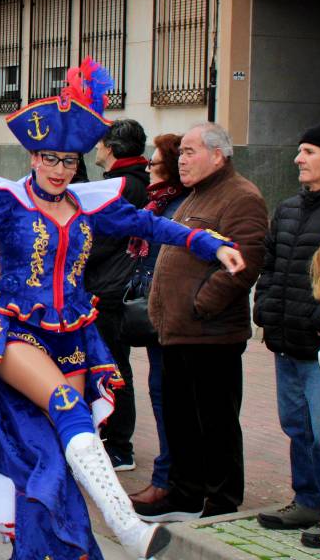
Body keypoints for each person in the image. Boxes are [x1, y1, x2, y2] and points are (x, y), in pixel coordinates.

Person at [0, 60, 245, 560]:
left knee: (55, 452)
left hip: (71, 334)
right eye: (50, 158)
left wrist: (208, 243)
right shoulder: (7, 201)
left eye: (69, 161)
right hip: (14, 331)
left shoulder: (90, 205)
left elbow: (152, 226)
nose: (59, 169)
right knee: (68, 410)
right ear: (33, 157)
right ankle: (128, 527)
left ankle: (42, 550)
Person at [133, 122, 267, 524]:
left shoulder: (241, 197)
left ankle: (221, 501)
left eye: (190, 151)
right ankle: (186, 494)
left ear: (218, 155)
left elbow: (243, 264)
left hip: (211, 333)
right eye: (181, 152)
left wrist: (199, 305)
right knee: (182, 420)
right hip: (178, 331)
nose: (181, 160)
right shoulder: (194, 196)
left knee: (215, 421)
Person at [252, 120, 320, 544]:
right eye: (300, 150)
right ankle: (308, 501)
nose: (298, 159)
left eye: (309, 151)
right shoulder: (288, 209)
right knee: (297, 427)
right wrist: (265, 308)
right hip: (286, 342)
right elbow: (270, 264)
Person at [126, 133, 190, 509]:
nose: (148, 167)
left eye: (154, 162)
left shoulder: (177, 206)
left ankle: (168, 480)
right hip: (155, 310)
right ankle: (168, 476)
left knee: (167, 396)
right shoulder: (158, 203)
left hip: (172, 315)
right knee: (160, 392)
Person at [87, 118, 149, 472]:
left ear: (110, 148)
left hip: (109, 289)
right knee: (108, 364)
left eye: (100, 143)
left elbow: (103, 239)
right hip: (108, 285)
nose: (96, 148)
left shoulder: (122, 187)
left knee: (113, 367)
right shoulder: (130, 182)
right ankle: (110, 437)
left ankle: (119, 445)